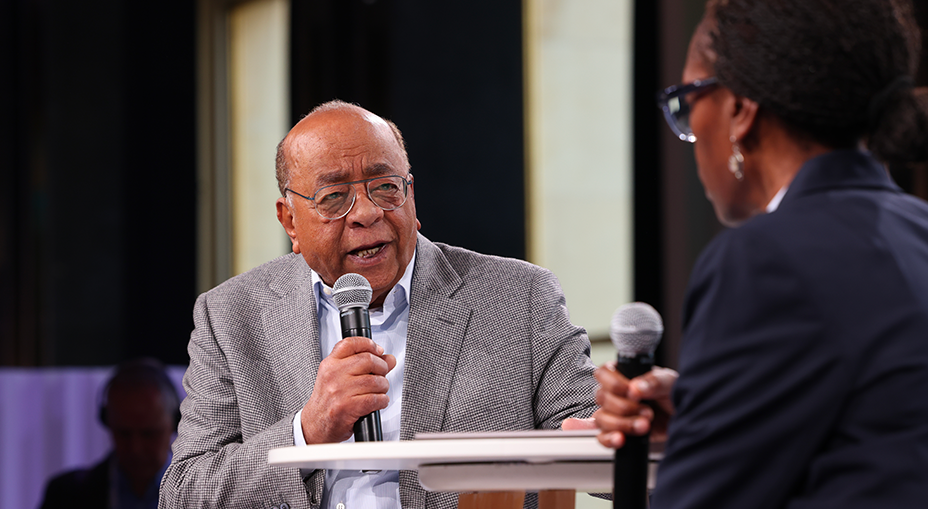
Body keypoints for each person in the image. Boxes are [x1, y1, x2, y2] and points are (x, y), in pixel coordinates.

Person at [158, 100, 599, 509]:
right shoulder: (231, 315)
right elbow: (186, 491)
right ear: (290, 221)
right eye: (334, 197)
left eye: (386, 187)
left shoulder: (517, 297)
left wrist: (633, 428)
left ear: (411, 195)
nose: (366, 212)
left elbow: (598, 446)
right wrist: (307, 432)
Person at [590, 0, 928, 507]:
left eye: (686, 104)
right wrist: (703, 411)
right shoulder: (926, 233)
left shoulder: (763, 260)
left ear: (739, 111)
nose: (688, 135)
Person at [40, 358, 180, 509]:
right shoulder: (65, 494)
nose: (136, 449)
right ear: (107, 423)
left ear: (175, 423)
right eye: (124, 433)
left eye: (149, 434)